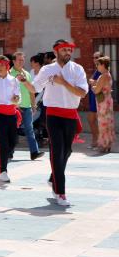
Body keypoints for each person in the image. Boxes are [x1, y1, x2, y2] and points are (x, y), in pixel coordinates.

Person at [24, 39, 88, 207]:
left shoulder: (77, 69)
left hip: (70, 116)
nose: (68, 52)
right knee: (57, 151)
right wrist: (24, 82)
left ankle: (53, 178)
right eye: (64, 50)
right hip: (53, 115)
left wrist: (64, 83)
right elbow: (35, 88)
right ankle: (61, 192)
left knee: (66, 151)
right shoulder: (47, 69)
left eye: (70, 50)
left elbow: (82, 93)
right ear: (57, 51)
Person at [9, 52, 44, 160]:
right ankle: (9, 152)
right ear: (14, 61)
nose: (21, 62)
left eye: (22, 60)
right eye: (19, 60)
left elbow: (31, 91)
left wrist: (33, 105)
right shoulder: (9, 74)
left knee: (30, 129)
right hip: (14, 107)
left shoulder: (27, 74)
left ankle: (34, 152)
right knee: (12, 130)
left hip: (27, 106)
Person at [91, 56, 114, 154]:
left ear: (103, 65)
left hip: (102, 102)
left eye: (98, 64)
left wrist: (93, 85)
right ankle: (107, 145)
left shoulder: (103, 76)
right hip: (108, 101)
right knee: (108, 123)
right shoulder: (108, 74)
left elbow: (96, 90)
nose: (97, 66)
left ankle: (104, 145)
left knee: (103, 123)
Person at [86, 51, 103, 149]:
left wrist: (93, 81)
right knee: (91, 120)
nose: (95, 59)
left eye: (97, 57)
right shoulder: (97, 70)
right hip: (93, 97)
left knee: (94, 120)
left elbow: (103, 82)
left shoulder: (102, 70)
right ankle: (95, 141)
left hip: (99, 98)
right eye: (94, 57)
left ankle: (97, 141)